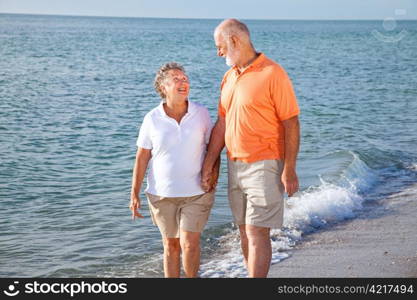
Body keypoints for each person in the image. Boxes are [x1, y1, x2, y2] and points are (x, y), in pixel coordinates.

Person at [201, 19, 301, 278]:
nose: (218, 52)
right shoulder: (229, 76)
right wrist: (209, 163)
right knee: (244, 230)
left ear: (234, 40)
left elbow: (291, 121)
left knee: (258, 231)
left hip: (265, 164)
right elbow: (222, 122)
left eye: (220, 46)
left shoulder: (272, 73)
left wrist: (289, 169)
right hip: (235, 166)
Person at [129, 62, 217, 278]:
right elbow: (142, 157)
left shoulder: (202, 113)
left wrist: (213, 175)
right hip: (161, 194)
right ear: (163, 87)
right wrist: (134, 192)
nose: (183, 82)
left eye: (185, 79)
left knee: (190, 244)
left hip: (197, 192)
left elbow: (212, 149)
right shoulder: (152, 118)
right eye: (176, 79)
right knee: (171, 245)